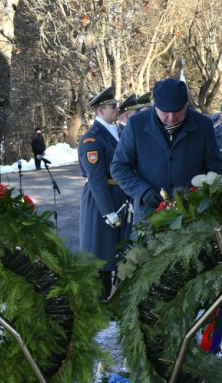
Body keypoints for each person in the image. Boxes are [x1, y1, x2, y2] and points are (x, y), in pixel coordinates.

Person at [111, 78, 222, 224]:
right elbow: (119, 167)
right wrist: (142, 191)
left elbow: (215, 169)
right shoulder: (136, 124)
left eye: (177, 112)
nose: (171, 118)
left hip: (192, 215)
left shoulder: (203, 125)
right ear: (155, 106)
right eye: (165, 112)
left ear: (186, 105)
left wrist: (201, 195)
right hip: (150, 214)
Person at [78, 86, 128, 301]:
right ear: (101, 111)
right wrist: (107, 211)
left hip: (118, 196)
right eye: (113, 107)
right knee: (100, 253)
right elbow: (96, 177)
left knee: (117, 252)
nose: (118, 109)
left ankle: (115, 299)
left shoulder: (114, 132)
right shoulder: (92, 139)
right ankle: (100, 301)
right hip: (101, 200)